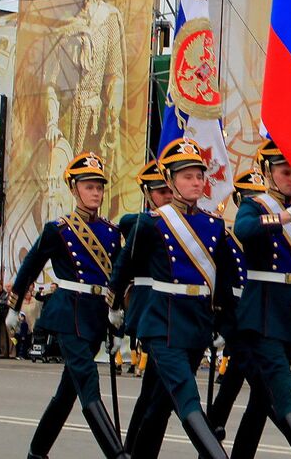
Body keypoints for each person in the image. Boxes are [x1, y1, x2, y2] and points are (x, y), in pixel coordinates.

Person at [107, 139, 233, 458]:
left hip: (196, 323)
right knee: (186, 397)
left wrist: (223, 325)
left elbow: (224, 281)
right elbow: (126, 264)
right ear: (170, 181)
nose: (195, 182)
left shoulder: (214, 225)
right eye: (187, 176)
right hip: (162, 323)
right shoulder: (152, 223)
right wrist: (114, 306)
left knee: (160, 405)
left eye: (199, 176)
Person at [4, 152, 129, 459]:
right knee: (88, 381)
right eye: (88, 186)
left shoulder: (112, 233)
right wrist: (14, 305)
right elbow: (31, 266)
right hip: (69, 313)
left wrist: (118, 318)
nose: (95, 192)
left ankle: (37, 452)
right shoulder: (59, 230)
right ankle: (117, 454)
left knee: (67, 393)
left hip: (96, 315)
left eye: (99, 186)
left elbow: (117, 278)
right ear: (74, 189)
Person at [232, 138, 291, 459]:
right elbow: (243, 230)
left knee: (260, 401)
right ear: (267, 172)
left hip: (290, 316)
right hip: (261, 315)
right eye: (285, 172)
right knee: (284, 396)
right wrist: (286, 217)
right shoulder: (255, 206)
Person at [114, 160, 174, 458]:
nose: (168, 196)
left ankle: (133, 449)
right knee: (160, 393)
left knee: (154, 391)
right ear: (149, 195)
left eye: (169, 190)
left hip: (174, 314)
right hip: (151, 311)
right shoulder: (143, 223)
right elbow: (127, 224)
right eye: (161, 192)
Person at [204, 170, 256, 452]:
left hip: (254, 312)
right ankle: (284, 417)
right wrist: (219, 320)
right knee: (254, 375)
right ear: (238, 199)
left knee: (235, 377)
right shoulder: (226, 238)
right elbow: (217, 281)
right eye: (248, 196)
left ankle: (212, 425)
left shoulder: (263, 235)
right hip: (234, 313)